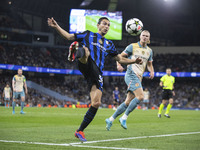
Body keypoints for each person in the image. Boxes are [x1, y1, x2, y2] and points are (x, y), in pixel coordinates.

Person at [47, 16, 142, 141]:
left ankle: (79, 131)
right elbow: (69, 37)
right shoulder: (88, 34)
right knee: (86, 52)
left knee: (96, 103)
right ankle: (75, 54)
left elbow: (120, 59)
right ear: (98, 25)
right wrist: (56, 26)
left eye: (108, 25)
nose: (106, 27)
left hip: (96, 74)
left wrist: (134, 60)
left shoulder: (109, 44)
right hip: (88, 64)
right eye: (104, 24)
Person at [106, 30, 154, 130]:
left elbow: (149, 64)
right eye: (143, 35)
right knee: (140, 96)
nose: (144, 37)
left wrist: (152, 71)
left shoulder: (149, 51)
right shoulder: (132, 46)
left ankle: (110, 119)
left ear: (149, 39)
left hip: (139, 77)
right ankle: (124, 118)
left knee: (127, 102)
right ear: (140, 36)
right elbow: (119, 56)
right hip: (131, 74)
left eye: (147, 36)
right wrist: (118, 65)